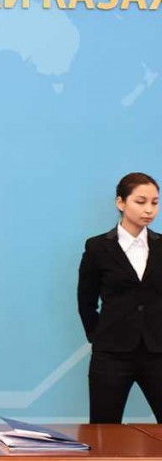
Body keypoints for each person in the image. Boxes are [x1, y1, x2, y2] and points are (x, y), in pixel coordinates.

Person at [78, 172, 162, 423]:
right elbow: (86, 301)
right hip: (112, 355)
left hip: (158, 351)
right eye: (141, 201)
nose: (149, 209)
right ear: (121, 202)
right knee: (103, 430)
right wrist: (99, 337)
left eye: (155, 202)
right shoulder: (97, 247)